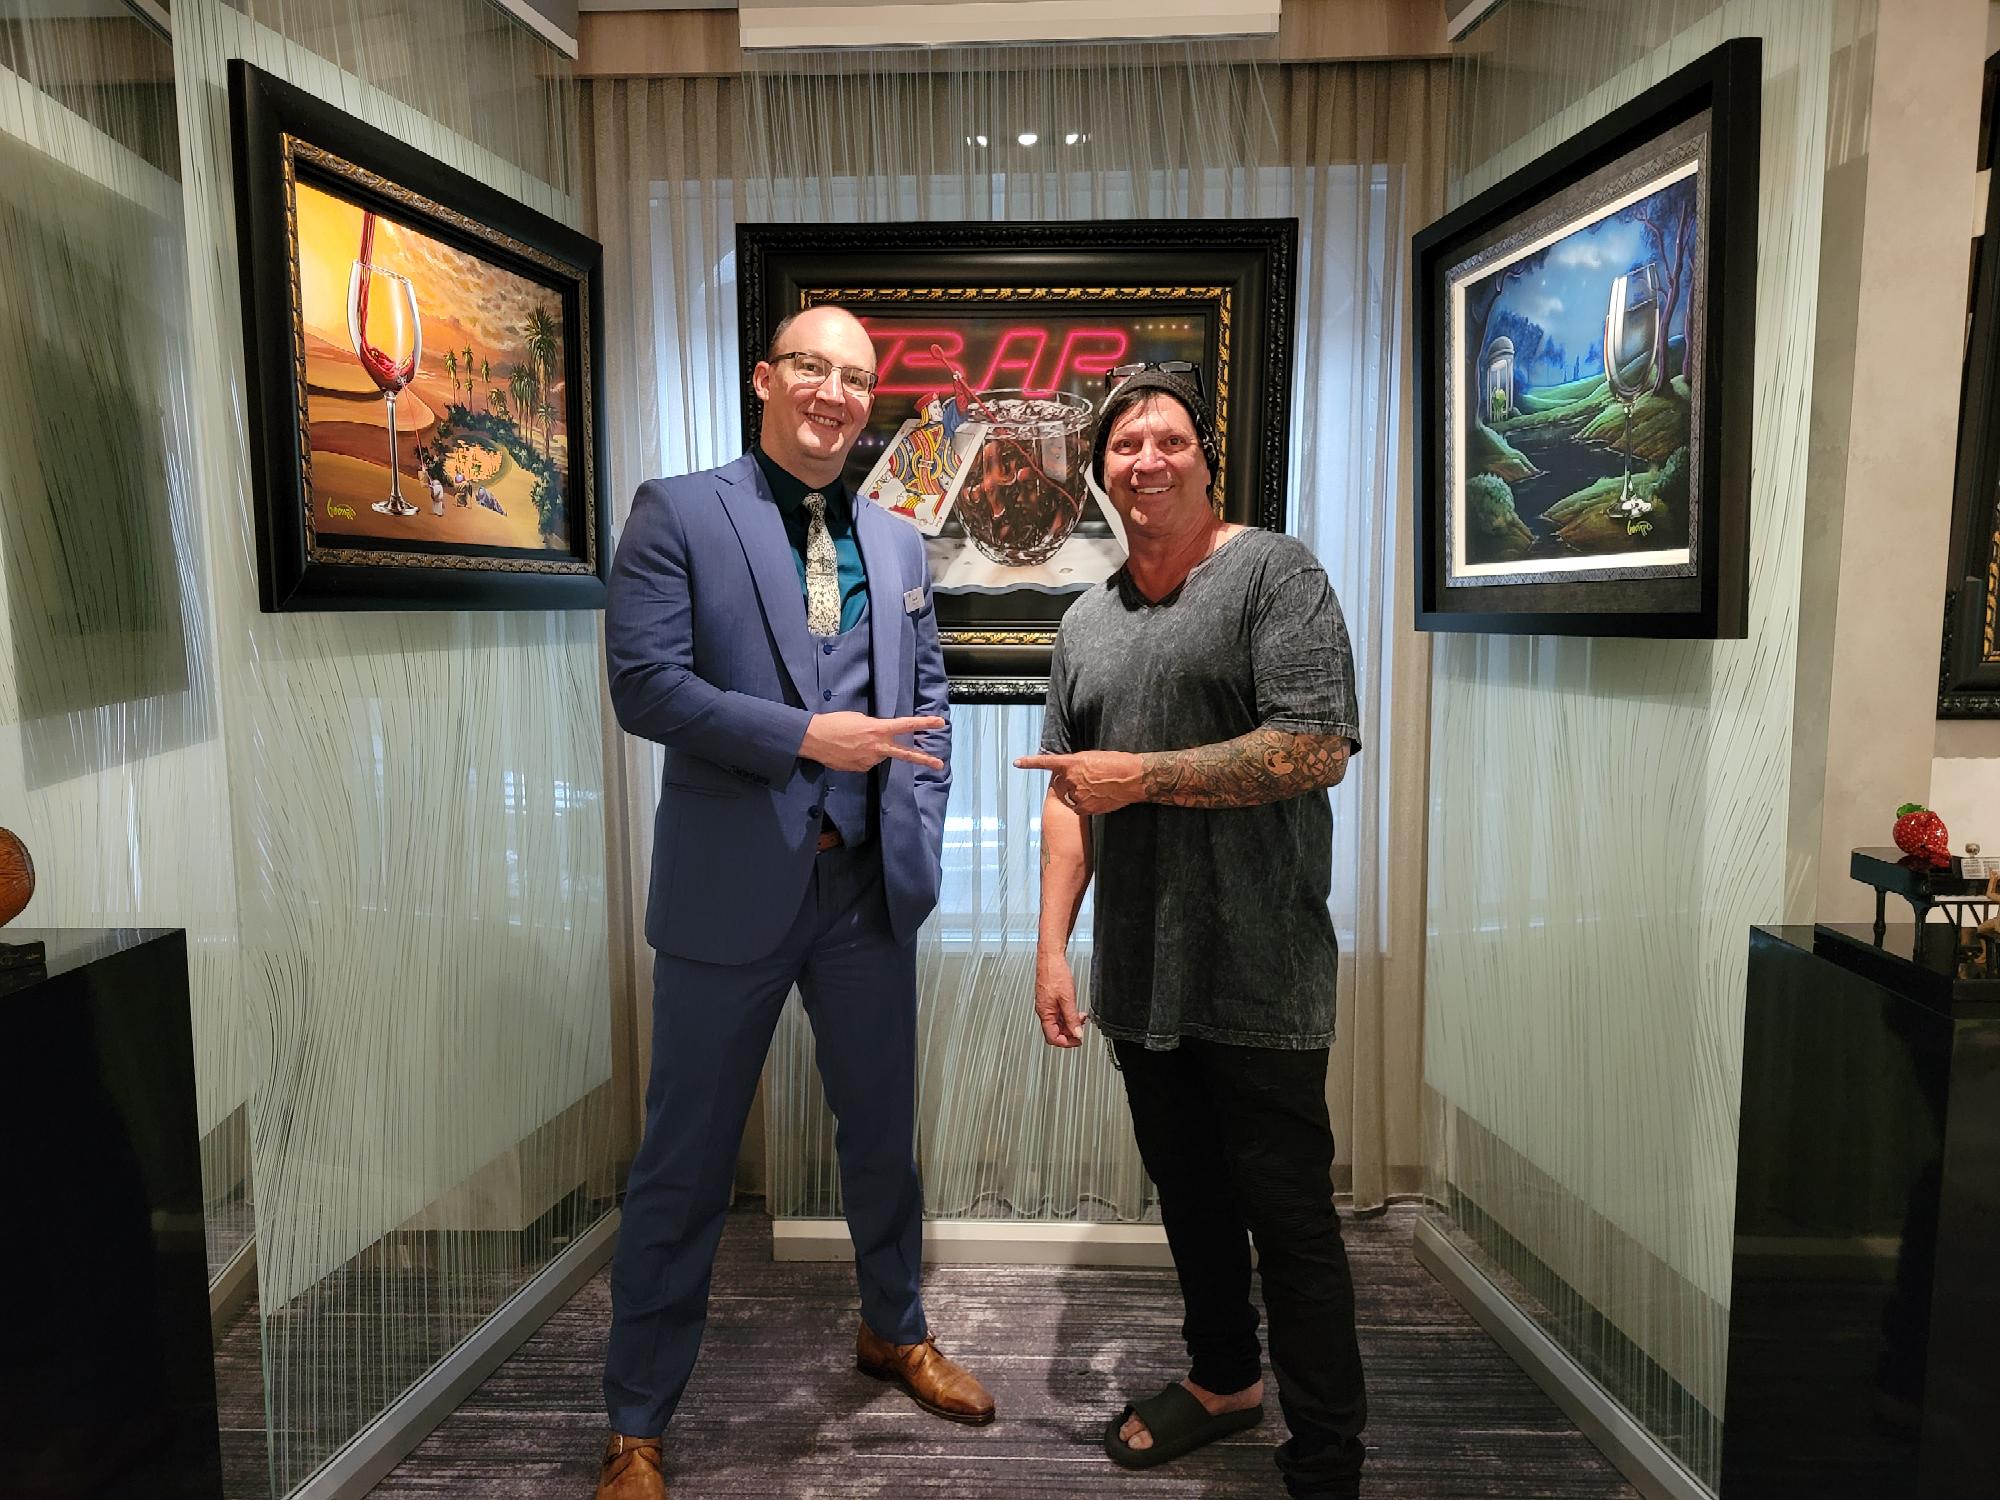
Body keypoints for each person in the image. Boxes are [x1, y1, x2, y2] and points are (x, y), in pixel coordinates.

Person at [597, 304, 993, 1500]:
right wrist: (803, 736)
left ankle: (893, 1329)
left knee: (881, 1138)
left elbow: (928, 701)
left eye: (855, 378)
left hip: (863, 890)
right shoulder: (679, 511)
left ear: (871, 402)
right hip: (727, 895)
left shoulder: (898, 537)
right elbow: (645, 686)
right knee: (683, 1164)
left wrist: (914, 841)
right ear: (765, 379)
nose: (833, 392)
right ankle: (636, 1423)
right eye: (811, 368)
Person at [1015, 368, 1369, 1499]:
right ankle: (1224, 1382)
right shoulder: (1085, 621)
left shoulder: (1275, 574)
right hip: (1141, 977)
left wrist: (1144, 777)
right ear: (1100, 472)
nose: (1147, 460)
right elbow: (1069, 793)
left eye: (1169, 439)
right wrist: (1050, 947)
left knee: (1291, 1224)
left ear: (1207, 460)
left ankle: (1327, 1458)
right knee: (1193, 1204)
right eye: (1125, 445)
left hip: (1262, 971)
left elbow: (1315, 744)